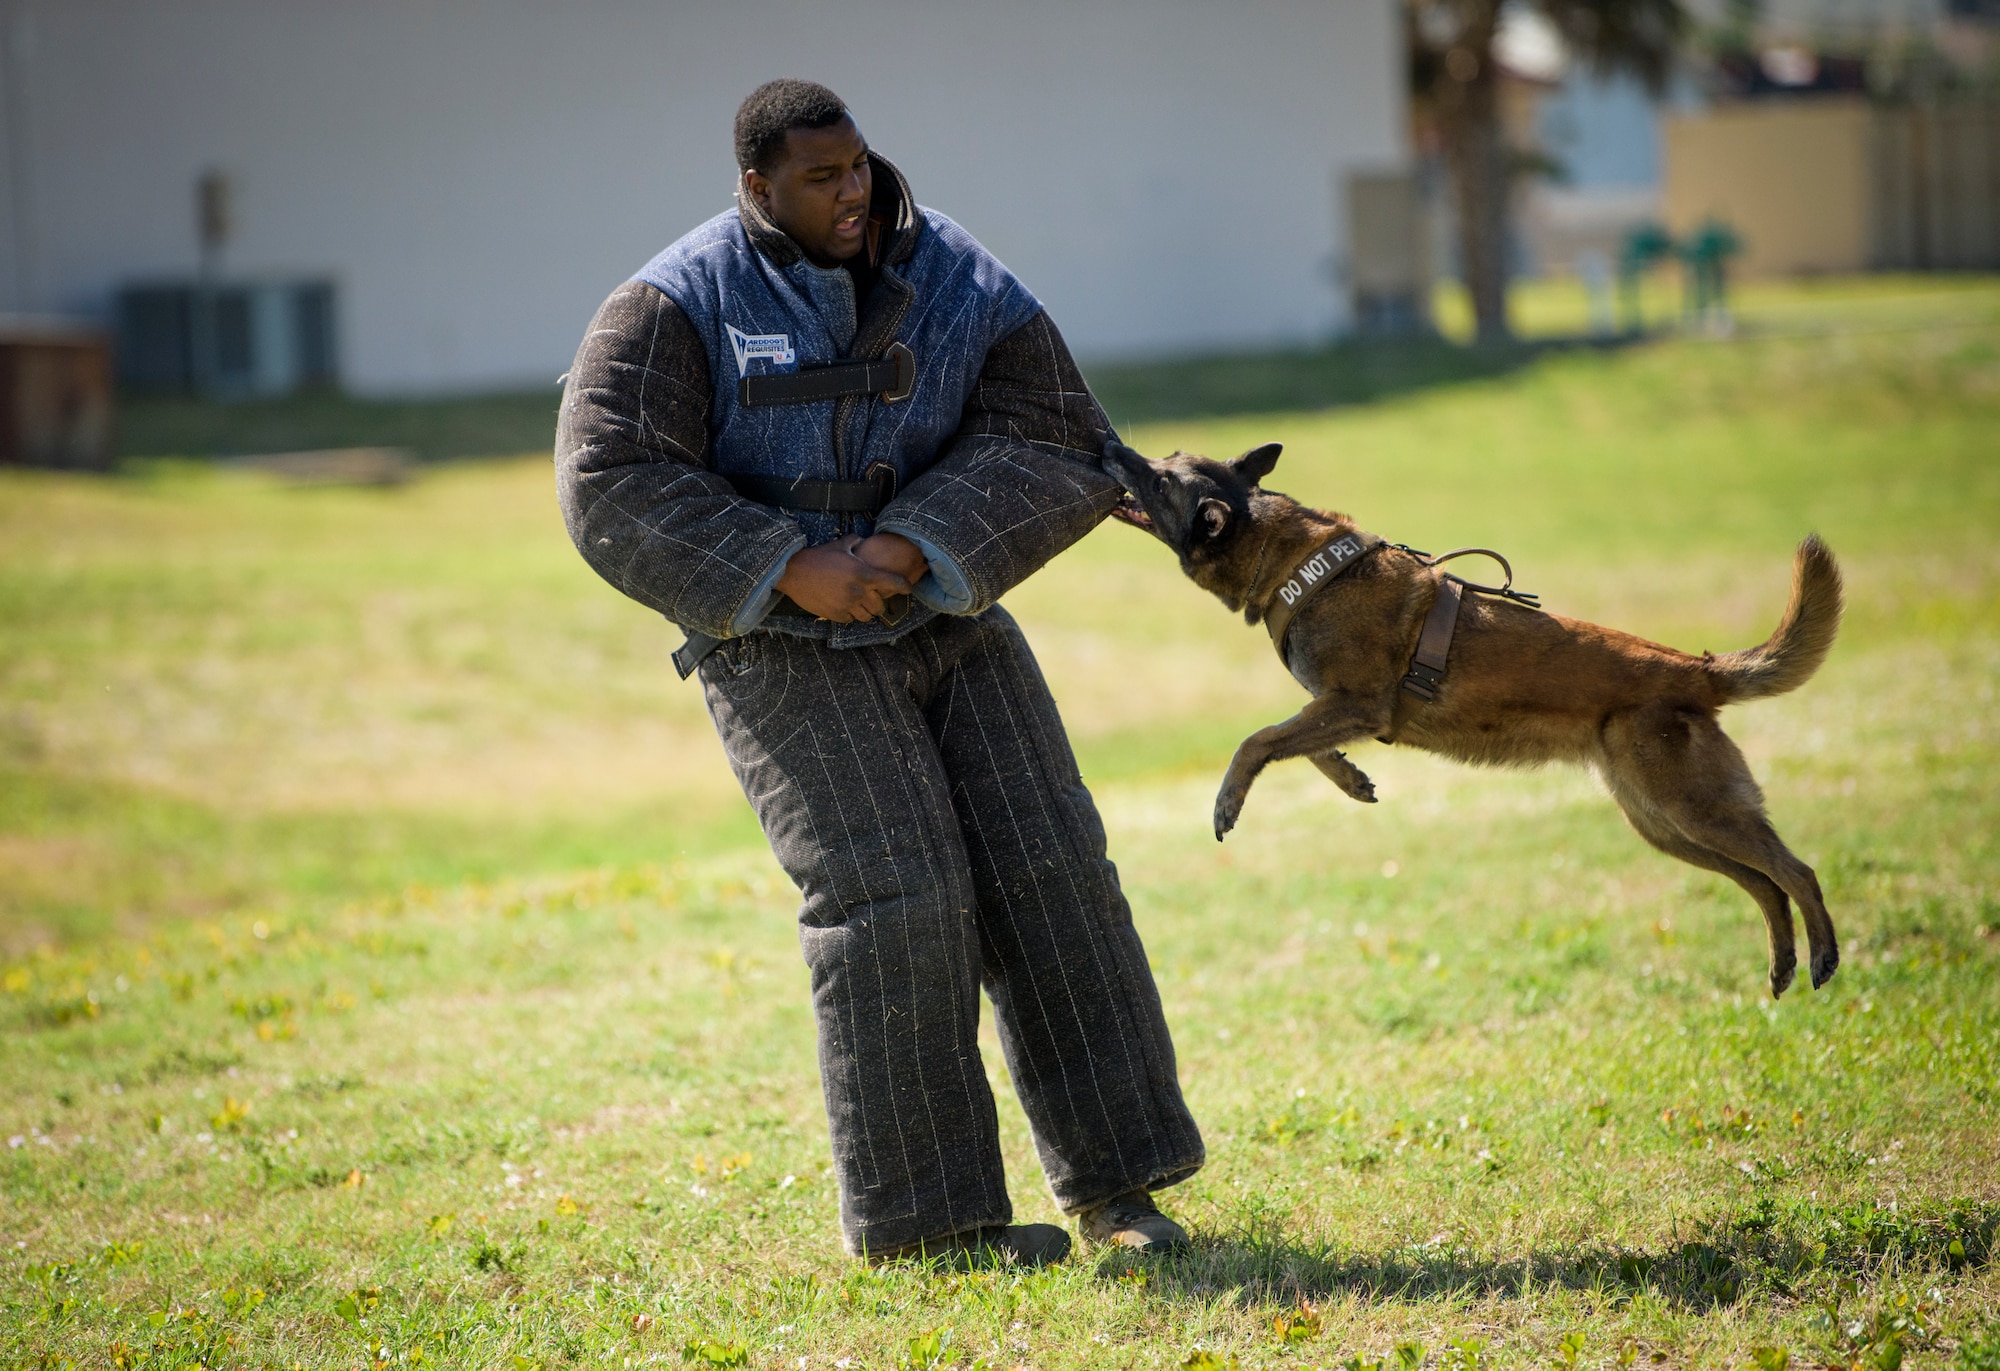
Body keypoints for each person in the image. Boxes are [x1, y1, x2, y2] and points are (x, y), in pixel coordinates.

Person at [555, 79, 1202, 1266]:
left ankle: (1120, 1195)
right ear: (755, 187)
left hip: (941, 606)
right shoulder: (670, 304)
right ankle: (931, 1230)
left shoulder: (954, 273)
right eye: (818, 178)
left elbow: (1054, 426)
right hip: (775, 642)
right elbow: (607, 477)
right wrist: (788, 563)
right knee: (894, 902)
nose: (850, 193)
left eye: (855, 167)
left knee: (1052, 867)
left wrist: (909, 548)